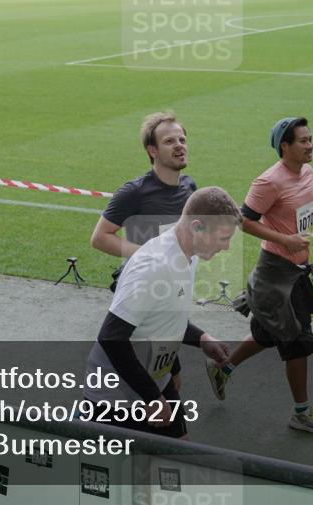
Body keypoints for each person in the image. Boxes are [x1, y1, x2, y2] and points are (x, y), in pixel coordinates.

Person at [205, 117, 313, 435]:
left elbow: (299, 212)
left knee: (267, 333)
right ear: (284, 146)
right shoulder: (269, 181)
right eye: (303, 141)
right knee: (296, 342)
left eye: (310, 139)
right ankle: (301, 413)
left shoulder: (307, 172)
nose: (310, 145)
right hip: (275, 274)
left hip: (297, 271)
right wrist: (285, 240)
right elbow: (244, 220)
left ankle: (223, 368)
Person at [84, 186, 240, 439]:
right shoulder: (153, 267)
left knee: (178, 453)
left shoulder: (189, 255)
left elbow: (163, 316)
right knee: (144, 463)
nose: (227, 246)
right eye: (223, 238)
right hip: (116, 396)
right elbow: (112, 337)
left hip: (152, 380)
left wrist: (201, 339)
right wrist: (152, 398)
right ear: (197, 227)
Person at [90, 111, 197, 387]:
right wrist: (148, 255)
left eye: (182, 139)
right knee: (141, 372)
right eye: (169, 141)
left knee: (170, 378)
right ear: (152, 150)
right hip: (142, 296)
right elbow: (100, 237)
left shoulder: (189, 187)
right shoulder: (135, 192)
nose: (179, 145)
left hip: (171, 296)